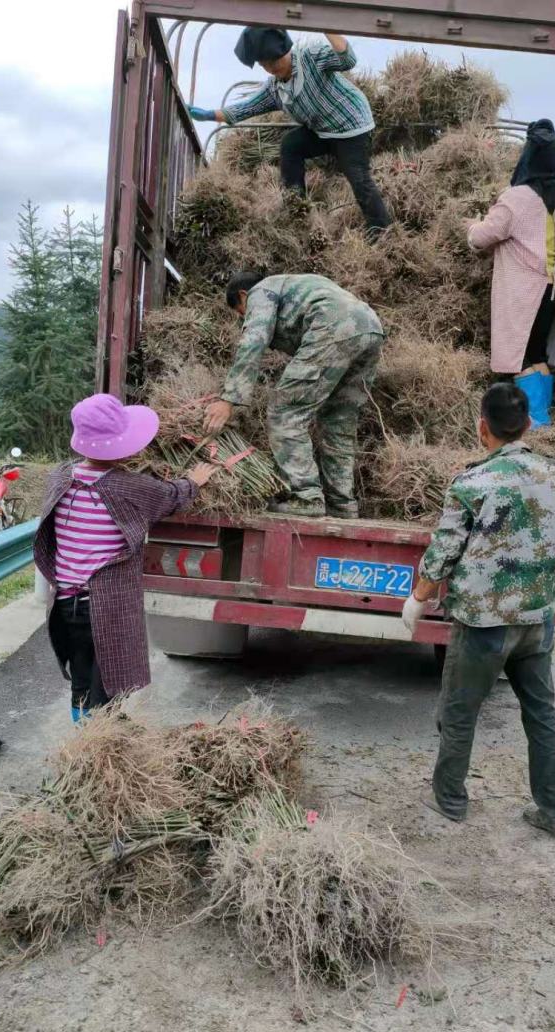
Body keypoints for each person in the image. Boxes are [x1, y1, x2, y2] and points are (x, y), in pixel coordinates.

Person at [402, 382, 555, 835]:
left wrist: (418, 598)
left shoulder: (471, 481)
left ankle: (449, 801)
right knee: (542, 712)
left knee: (459, 712)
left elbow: (444, 550)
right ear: (529, 425)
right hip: (534, 621)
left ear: (481, 428)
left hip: (483, 623)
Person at [34, 393, 215, 721]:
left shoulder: (60, 476)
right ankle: (99, 744)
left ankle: (83, 732)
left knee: (82, 675)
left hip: (64, 602)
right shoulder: (130, 487)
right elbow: (171, 496)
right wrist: (194, 481)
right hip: (104, 605)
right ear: (123, 445)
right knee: (107, 682)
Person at [204, 271, 384, 519]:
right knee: (338, 421)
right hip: (371, 328)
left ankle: (305, 497)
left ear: (243, 295)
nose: (242, 317)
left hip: (334, 327)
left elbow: (254, 340)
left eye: (240, 311)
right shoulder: (296, 285)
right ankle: (342, 504)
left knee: (284, 412)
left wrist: (228, 399)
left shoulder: (261, 291)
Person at [189, 26, 391, 235]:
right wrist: (209, 115)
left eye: (274, 61)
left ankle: (381, 231)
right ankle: (296, 206)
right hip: (323, 131)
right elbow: (246, 109)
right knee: (291, 145)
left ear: (285, 50)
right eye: (264, 65)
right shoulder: (275, 89)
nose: (271, 68)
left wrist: (327, 25)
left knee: (358, 177)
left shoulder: (310, 57)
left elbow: (347, 60)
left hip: (352, 126)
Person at [467, 119, 555, 428]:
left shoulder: (517, 198)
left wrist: (469, 226)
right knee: (537, 354)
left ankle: (533, 422)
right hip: (549, 289)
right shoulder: (554, 197)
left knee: (521, 358)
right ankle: (542, 419)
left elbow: (481, 237)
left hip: (525, 291)